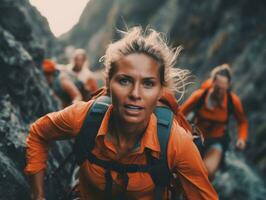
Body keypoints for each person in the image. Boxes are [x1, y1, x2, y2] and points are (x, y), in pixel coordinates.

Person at [25, 27, 218, 200]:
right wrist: (38, 195)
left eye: (148, 84)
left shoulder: (175, 142)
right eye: (124, 81)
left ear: (161, 92)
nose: (135, 94)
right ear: (108, 84)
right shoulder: (84, 117)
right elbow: (39, 132)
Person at [180, 64, 248, 180]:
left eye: (222, 89)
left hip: (217, 140)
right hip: (195, 137)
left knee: (208, 173)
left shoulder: (233, 101)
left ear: (228, 86)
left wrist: (241, 139)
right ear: (212, 82)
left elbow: (242, 122)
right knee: (183, 169)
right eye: (217, 87)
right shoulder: (199, 96)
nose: (219, 92)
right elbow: (180, 114)